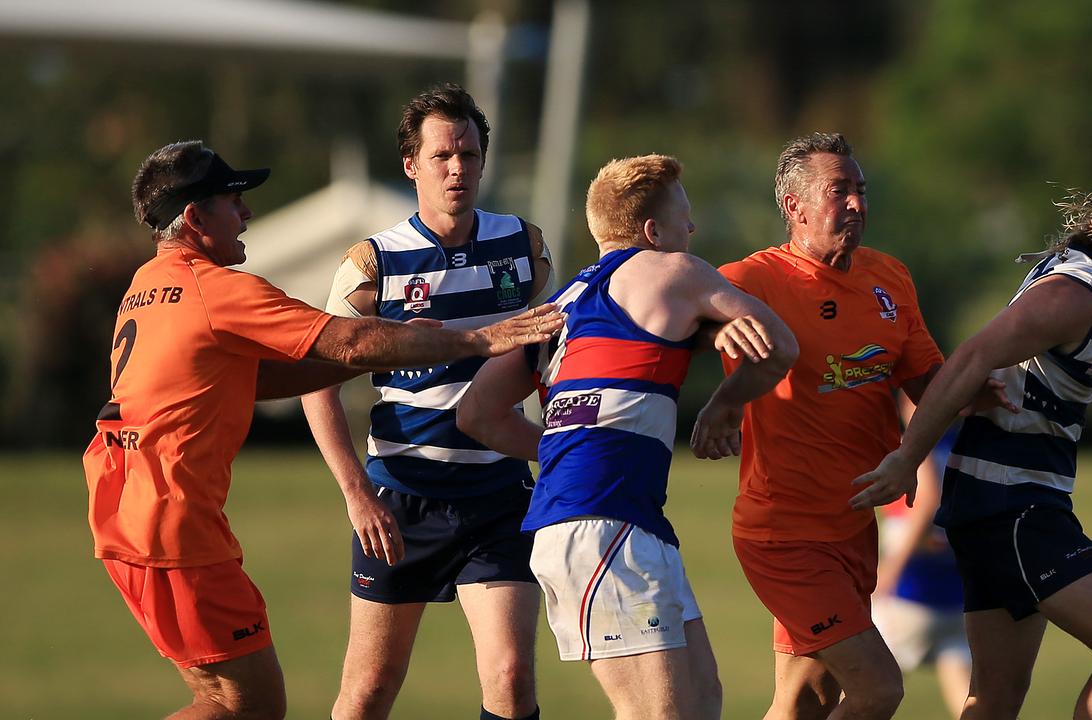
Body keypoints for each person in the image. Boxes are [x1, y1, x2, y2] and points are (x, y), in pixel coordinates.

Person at [83, 139, 562, 720]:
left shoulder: (146, 288)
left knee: (225, 701)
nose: (247, 214)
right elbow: (350, 337)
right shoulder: (216, 290)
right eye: (234, 201)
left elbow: (250, 380)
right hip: (174, 526)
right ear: (194, 217)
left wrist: (364, 362)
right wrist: (476, 339)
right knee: (249, 706)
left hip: (123, 514)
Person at [457, 154, 798, 720]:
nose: (692, 230)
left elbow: (476, 415)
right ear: (651, 232)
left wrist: (565, 446)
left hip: (617, 519)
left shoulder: (559, 306)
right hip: (601, 522)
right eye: (684, 218)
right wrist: (724, 406)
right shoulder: (675, 271)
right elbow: (781, 344)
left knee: (701, 700)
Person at [853, 177, 1092, 719]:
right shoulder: (1074, 295)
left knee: (995, 699)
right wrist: (908, 456)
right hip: (1013, 505)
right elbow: (971, 357)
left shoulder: (1088, 290)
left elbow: (1061, 358)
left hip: (998, 505)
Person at [298, 83, 556, 720]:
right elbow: (316, 382)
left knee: (512, 676)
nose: (457, 169)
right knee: (369, 692)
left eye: (469, 155)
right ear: (412, 164)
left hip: (497, 495)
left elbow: (544, 354)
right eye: (442, 156)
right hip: (401, 499)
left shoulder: (523, 248)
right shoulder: (374, 264)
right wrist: (357, 493)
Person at [718, 131, 995, 720]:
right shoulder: (748, 281)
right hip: (786, 532)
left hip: (852, 526)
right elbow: (669, 308)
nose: (856, 204)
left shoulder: (889, 277)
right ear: (794, 206)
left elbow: (928, 384)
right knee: (879, 689)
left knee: (806, 701)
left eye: (861, 191)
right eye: (838, 191)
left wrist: (983, 392)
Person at [873, 394, 970, 719]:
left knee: (862, 691)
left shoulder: (916, 447)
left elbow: (928, 500)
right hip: (959, 593)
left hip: (911, 592)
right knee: (968, 701)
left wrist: (890, 572)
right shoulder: (964, 446)